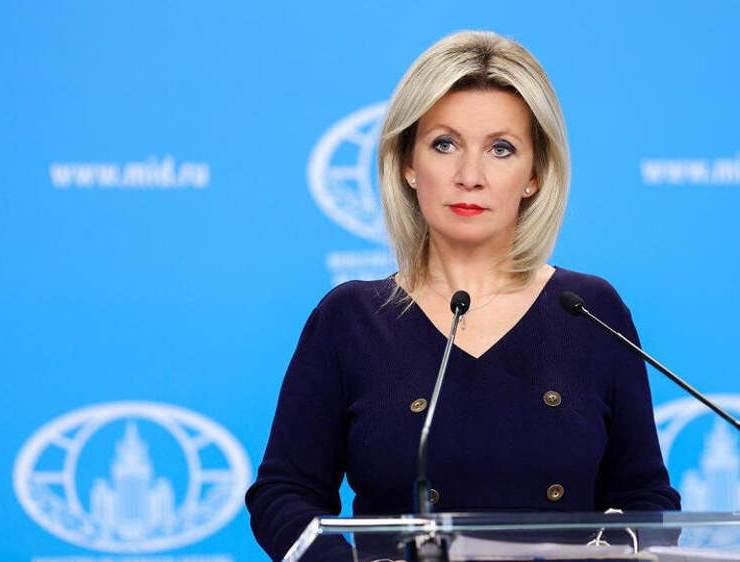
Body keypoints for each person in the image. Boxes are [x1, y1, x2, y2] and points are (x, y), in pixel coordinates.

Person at [245, 30, 681, 562]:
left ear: (535, 175)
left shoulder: (590, 311)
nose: (469, 176)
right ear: (408, 164)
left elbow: (646, 498)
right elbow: (283, 495)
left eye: (501, 149)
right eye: (444, 144)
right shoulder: (350, 319)